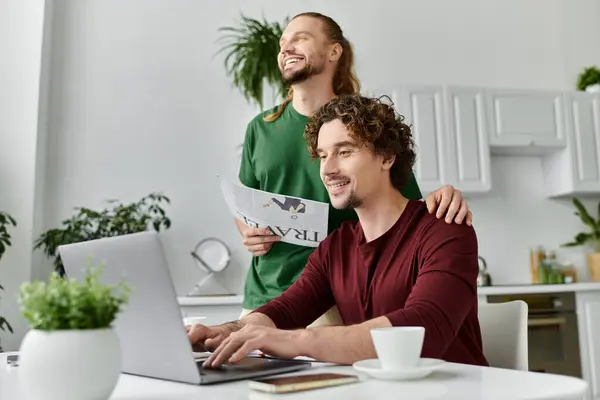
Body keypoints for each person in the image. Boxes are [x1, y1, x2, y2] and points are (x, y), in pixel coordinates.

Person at [190, 94, 488, 369]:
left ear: (386, 157)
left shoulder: (444, 229)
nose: (327, 169)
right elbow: (285, 310)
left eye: (344, 151)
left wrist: (294, 342)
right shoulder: (336, 247)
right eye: (322, 155)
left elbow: (424, 328)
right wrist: (224, 331)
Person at [236, 11, 473, 326]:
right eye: (283, 43)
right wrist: (249, 232)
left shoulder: (362, 124)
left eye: (300, 38)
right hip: (262, 296)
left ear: (335, 51)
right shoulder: (259, 128)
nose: (286, 48)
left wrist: (443, 198)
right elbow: (245, 205)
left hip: (332, 297)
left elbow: (406, 210)